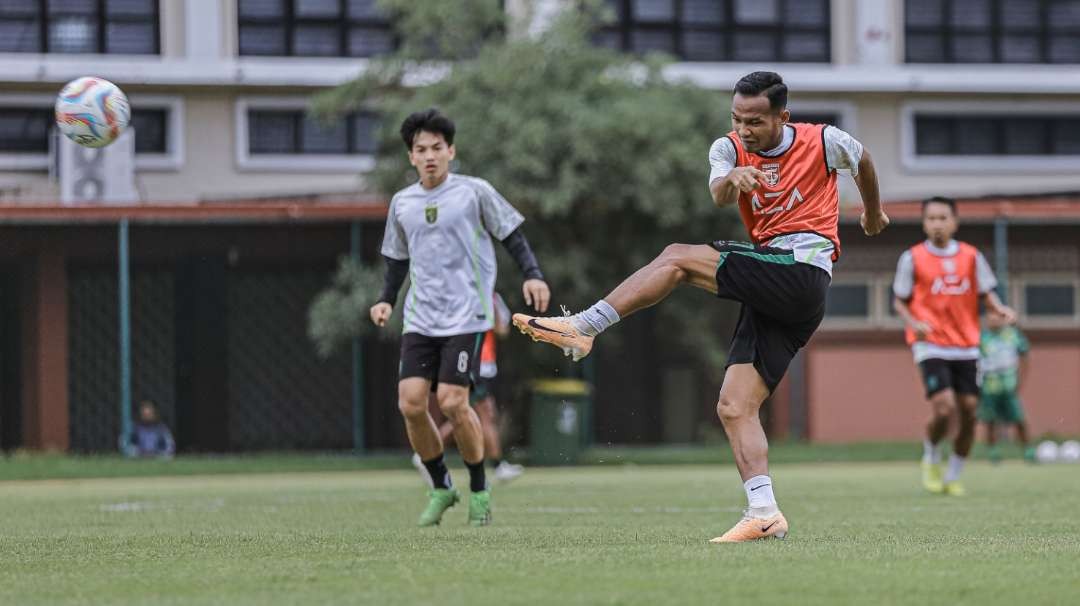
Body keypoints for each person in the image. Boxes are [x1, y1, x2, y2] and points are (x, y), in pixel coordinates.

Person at [512, 71, 889, 542]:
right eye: (737, 118)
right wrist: (733, 177)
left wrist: (871, 211)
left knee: (676, 258)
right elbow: (718, 194)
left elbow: (865, 161)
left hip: (801, 268)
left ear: (782, 117)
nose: (744, 128)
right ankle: (765, 512)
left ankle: (585, 326)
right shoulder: (727, 148)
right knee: (734, 405)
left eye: (755, 121)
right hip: (774, 283)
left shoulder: (823, 140)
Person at [372, 109, 550, 527]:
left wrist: (533, 276)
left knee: (453, 401)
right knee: (411, 404)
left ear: (451, 151)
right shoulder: (403, 203)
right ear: (411, 157)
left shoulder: (474, 192)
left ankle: (480, 490)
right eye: (421, 149)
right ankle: (441, 487)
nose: (430, 155)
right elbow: (396, 259)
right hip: (420, 317)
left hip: (467, 314)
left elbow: (512, 235)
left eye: (437, 147)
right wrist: (385, 299)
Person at [892, 196, 1016, 496]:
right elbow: (899, 300)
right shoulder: (913, 258)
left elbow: (987, 292)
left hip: (966, 345)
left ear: (954, 222)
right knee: (944, 407)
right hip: (930, 343)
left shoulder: (972, 257)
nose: (937, 223)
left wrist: (1000, 309)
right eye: (931, 218)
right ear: (924, 223)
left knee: (970, 410)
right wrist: (914, 323)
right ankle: (932, 456)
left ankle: (954, 474)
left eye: (943, 218)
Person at [412, 292, 525, 485]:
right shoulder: (463, 293)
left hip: (487, 366)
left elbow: (501, 330)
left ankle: (425, 452)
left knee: (470, 415)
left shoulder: (495, 298)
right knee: (483, 414)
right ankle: (497, 467)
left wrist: (493, 307)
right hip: (472, 364)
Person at [979, 308, 1034, 463]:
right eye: (990, 317)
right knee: (989, 420)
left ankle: (1028, 450)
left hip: (1008, 385)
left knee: (1019, 419)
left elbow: (1024, 355)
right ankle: (993, 451)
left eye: (997, 317)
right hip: (988, 386)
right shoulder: (981, 338)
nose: (994, 320)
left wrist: (1020, 380)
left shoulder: (1012, 335)